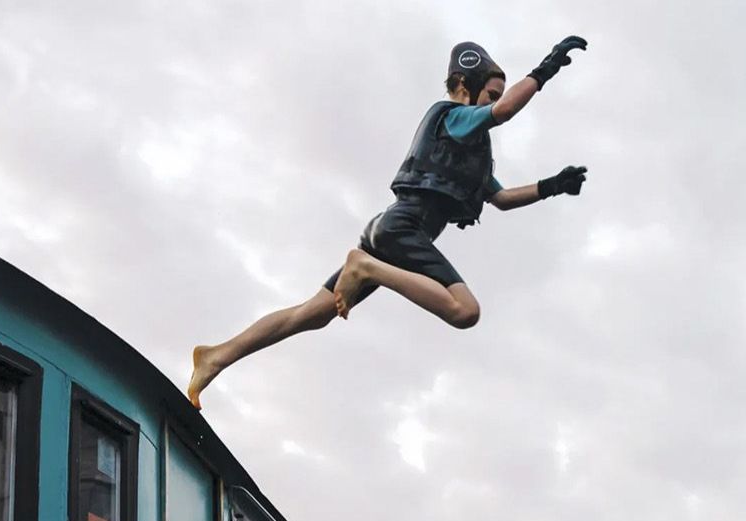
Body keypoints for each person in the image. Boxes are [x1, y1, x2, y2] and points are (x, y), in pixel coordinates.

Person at [187, 36, 591, 406]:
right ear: (465, 85)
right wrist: (545, 70)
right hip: (403, 229)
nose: (495, 102)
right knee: (465, 311)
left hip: (390, 232)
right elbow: (503, 112)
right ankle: (364, 268)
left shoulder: (471, 150)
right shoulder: (453, 116)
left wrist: (552, 185)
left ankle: (216, 356)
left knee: (310, 314)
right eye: (490, 93)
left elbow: (501, 198)